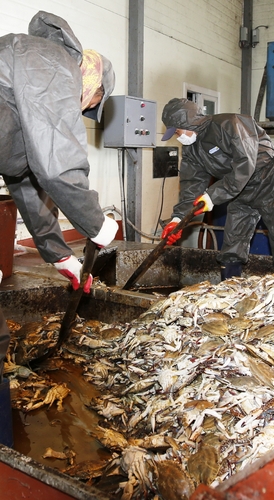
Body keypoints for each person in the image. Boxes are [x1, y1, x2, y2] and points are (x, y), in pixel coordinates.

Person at [0, 11, 119, 376]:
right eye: (89, 106)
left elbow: (24, 177)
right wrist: (96, 223)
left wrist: (59, 256)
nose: (82, 111)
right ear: (93, 88)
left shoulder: (34, 67)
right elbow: (57, 165)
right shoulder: (53, 63)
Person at [160, 98, 274, 281]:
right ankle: (230, 287)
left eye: (177, 131)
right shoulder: (192, 150)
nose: (177, 136)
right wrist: (177, 220)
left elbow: (245, 165)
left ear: (188, 121)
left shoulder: (230, 124)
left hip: (270, 180)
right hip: (238, 188)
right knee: (233, 238)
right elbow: (191, 187)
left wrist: (213, 196)